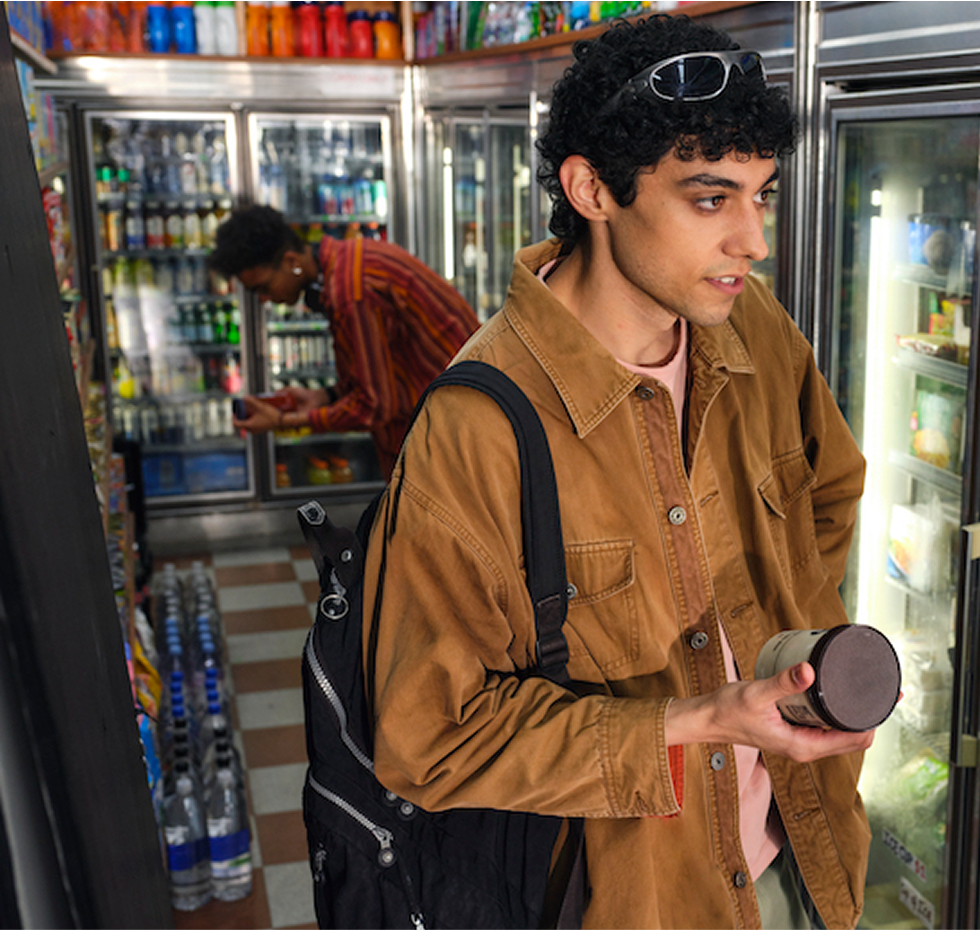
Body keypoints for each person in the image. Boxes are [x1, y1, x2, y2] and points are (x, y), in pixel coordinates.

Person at [365, 14, 872, 930]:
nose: (753, 240)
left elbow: (826, 496)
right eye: (710, 199)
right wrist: (700, 720)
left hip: (803, 859)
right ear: (592, 190)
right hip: (635, 901)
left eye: (762, 195)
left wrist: (786, 660)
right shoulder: (478, 427)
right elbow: (427, 741)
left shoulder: (752, 328)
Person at [208, 205, 478, 478]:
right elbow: (387, 369)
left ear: (292, 262)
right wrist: (325, 397)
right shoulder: (350, 260)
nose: (264, 299)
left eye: (263, 288)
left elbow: (373, 407)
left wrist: (284, 421)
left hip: (448, 440)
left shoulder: (350, 294)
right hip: (450, 425)